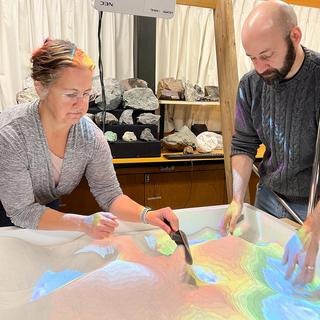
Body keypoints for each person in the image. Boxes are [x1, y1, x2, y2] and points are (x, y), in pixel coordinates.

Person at [0, 39, 179, 239]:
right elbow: (21, 211)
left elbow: (109, 193)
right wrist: (82, 222)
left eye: (86, 94)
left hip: (41, 209)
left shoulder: (89, 136)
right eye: (71, 94)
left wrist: (148, 215)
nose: (81, 104)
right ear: (41, 87)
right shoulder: (11, 134)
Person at [220, 0, 320, 283]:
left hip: (311, 206)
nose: (260, 67)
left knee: (304, 283)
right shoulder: (250, 85)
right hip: (269, 196)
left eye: (266, 55)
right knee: (263, 277)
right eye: (252, 57)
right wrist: (237, 199)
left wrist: (314, 225)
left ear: (295, 36)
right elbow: (243, 143)